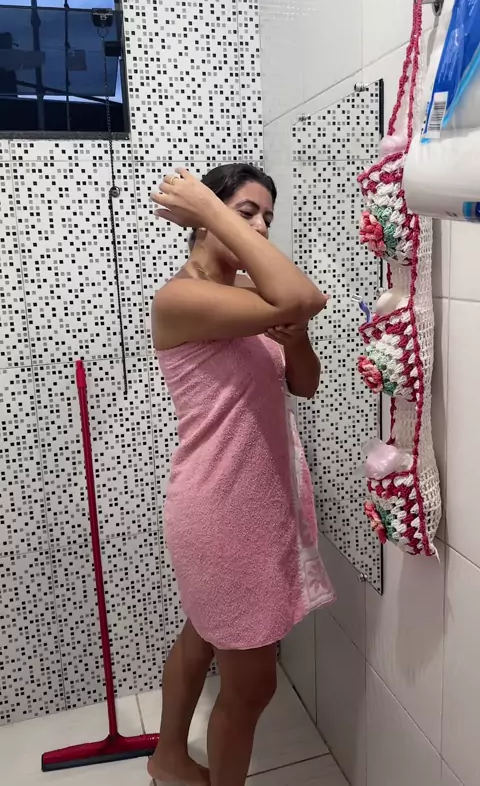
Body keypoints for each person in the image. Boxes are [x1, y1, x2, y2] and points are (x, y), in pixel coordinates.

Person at [147, 164, 335, 786]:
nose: (259, 228)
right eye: (245, 212)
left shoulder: (256, 297)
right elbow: (306, 296)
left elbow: (303, 383)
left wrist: (296, 339)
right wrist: (208, 208)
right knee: (253, 687)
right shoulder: (180, 298)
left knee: (201, 636)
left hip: (251, 504)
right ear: (206, 219)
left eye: (267, 219)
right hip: (222, 510)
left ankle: (168, 758)